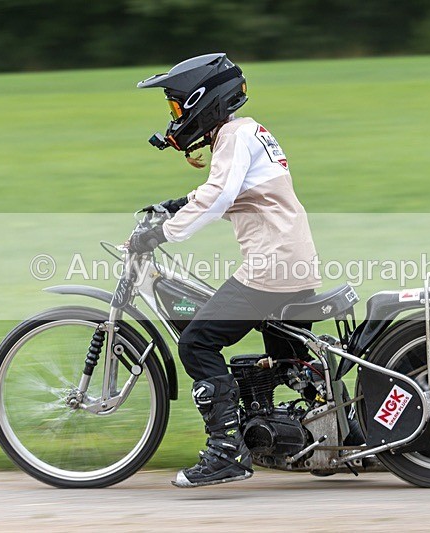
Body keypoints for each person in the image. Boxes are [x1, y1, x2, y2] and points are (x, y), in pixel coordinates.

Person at [132, 53, 322, 488]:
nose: (175, 117)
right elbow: (231, 190)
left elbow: (218, 196)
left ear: (204, 99)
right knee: (284, 363)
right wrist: (175, 206)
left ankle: (225, 452)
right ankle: (294, 426)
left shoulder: (235, 135)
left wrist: (162, 233)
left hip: (271, 265)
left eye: (177, 106)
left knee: (198, 343)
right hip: (289, 260)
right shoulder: (245, 132)